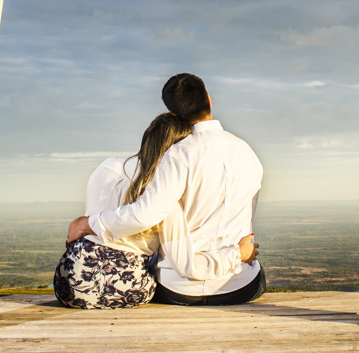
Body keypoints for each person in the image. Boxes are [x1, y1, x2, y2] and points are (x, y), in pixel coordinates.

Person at [67, 73, 266, 306]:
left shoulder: (178, 156)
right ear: (209, 100)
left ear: (173, 114)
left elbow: (144, 214)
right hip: (240, 285)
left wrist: (88, 223)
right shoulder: (248, 153)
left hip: (179, 288)